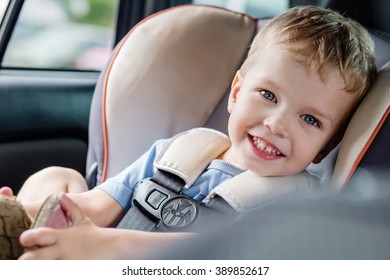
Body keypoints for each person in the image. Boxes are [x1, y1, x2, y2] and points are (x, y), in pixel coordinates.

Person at [0, 6, 377, 259]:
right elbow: (101, 204)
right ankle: (20, 225)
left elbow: (223, 258)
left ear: (327, 146)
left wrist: (102, 246)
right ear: (236, 92)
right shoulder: (180, 151)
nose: (277, 124)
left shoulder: (299, 205)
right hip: (93, 251)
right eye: (267, 95)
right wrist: (41, 215)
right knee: (56, 178)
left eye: (310, 120)